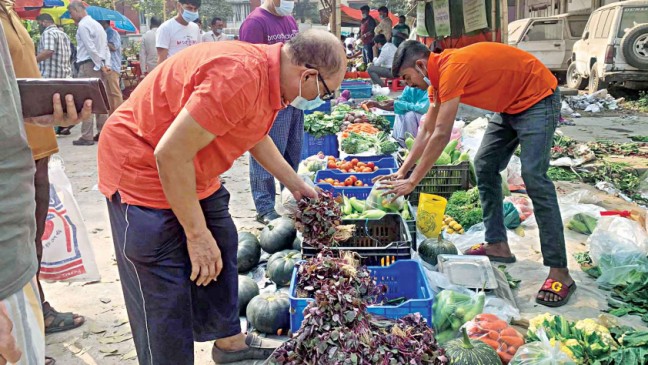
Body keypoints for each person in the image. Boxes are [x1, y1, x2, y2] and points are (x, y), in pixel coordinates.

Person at [97, 29, 345, 364]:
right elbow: (169, 155)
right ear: (309, 75)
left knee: (223, 242)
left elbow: (254, 134)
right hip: (142, 167)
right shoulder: (239, 76)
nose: (321, 100)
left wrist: (296, 183)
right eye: (326, 93)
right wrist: (195, 235)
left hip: (193, 166)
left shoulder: (272, 79)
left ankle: (229, 343)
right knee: (163, 286)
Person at [384, 40, 575, 307]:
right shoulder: (437, 82)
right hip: (510, 107)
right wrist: (403, 171)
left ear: (420, 65)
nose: (407, 84)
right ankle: (497, 244)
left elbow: (440, 135)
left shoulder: (452, 68)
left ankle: (560, 272)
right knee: (484, 166)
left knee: (534, 177)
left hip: (538, 99)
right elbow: (426, 128)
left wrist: (413, 181)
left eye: (407, 78)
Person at [1, 6, 93, 365]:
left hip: (30, 148)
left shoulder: (10, 13)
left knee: (31, 239)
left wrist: (35, 110)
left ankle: (37, 313)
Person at [239, 0, 302, 224]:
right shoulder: (255, 23)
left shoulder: (289, 19)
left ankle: (291, 200)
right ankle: (264, 207)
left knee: (292, 152)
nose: (291, 3)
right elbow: (247, 67)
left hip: (294, 100)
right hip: (270, 101)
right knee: (265, 155)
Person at [68, 1, 110, 146]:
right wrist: (105, 64)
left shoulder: (84, 25)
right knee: (100, 100)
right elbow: (104, 47)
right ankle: (103, 132)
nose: (71, 16)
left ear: (77, 10)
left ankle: (87, 136)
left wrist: (99, 64)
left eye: (71, 13)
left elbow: (90, 47)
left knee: (86, 100)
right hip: (99, 64)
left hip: (88, 65)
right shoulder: (97, 25)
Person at [35, 13, 73, 136]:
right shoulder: (64, 35)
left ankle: (50, 133)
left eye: (39, 23)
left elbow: (48, 51)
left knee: (48, 107)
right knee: (60, 105)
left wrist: (33, 60)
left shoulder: (48, 33)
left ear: (44, 22)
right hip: (64, 75)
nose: (39, 26)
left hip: (50, 76)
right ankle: (61, 127)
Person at [362, 85, 429, 145]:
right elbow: (398, 104)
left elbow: (422, 108)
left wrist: (397, 104)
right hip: (414, 123)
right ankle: (400, 142)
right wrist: (376, 104)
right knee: (401, 112)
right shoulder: (409, 87)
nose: (406, 82)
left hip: (427, 123)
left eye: (408, 77)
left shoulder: (431, 87)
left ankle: (414, 145)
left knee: (410, 114)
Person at [99, 20, 124, 126]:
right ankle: (112, 116)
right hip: (107, 66)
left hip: (112, 66)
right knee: (108, 93)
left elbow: (114, 47)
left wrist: (102, 41)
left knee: (115, 92)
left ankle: (119, 116)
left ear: (104, 23)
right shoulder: (105, 33)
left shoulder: (112, 33)